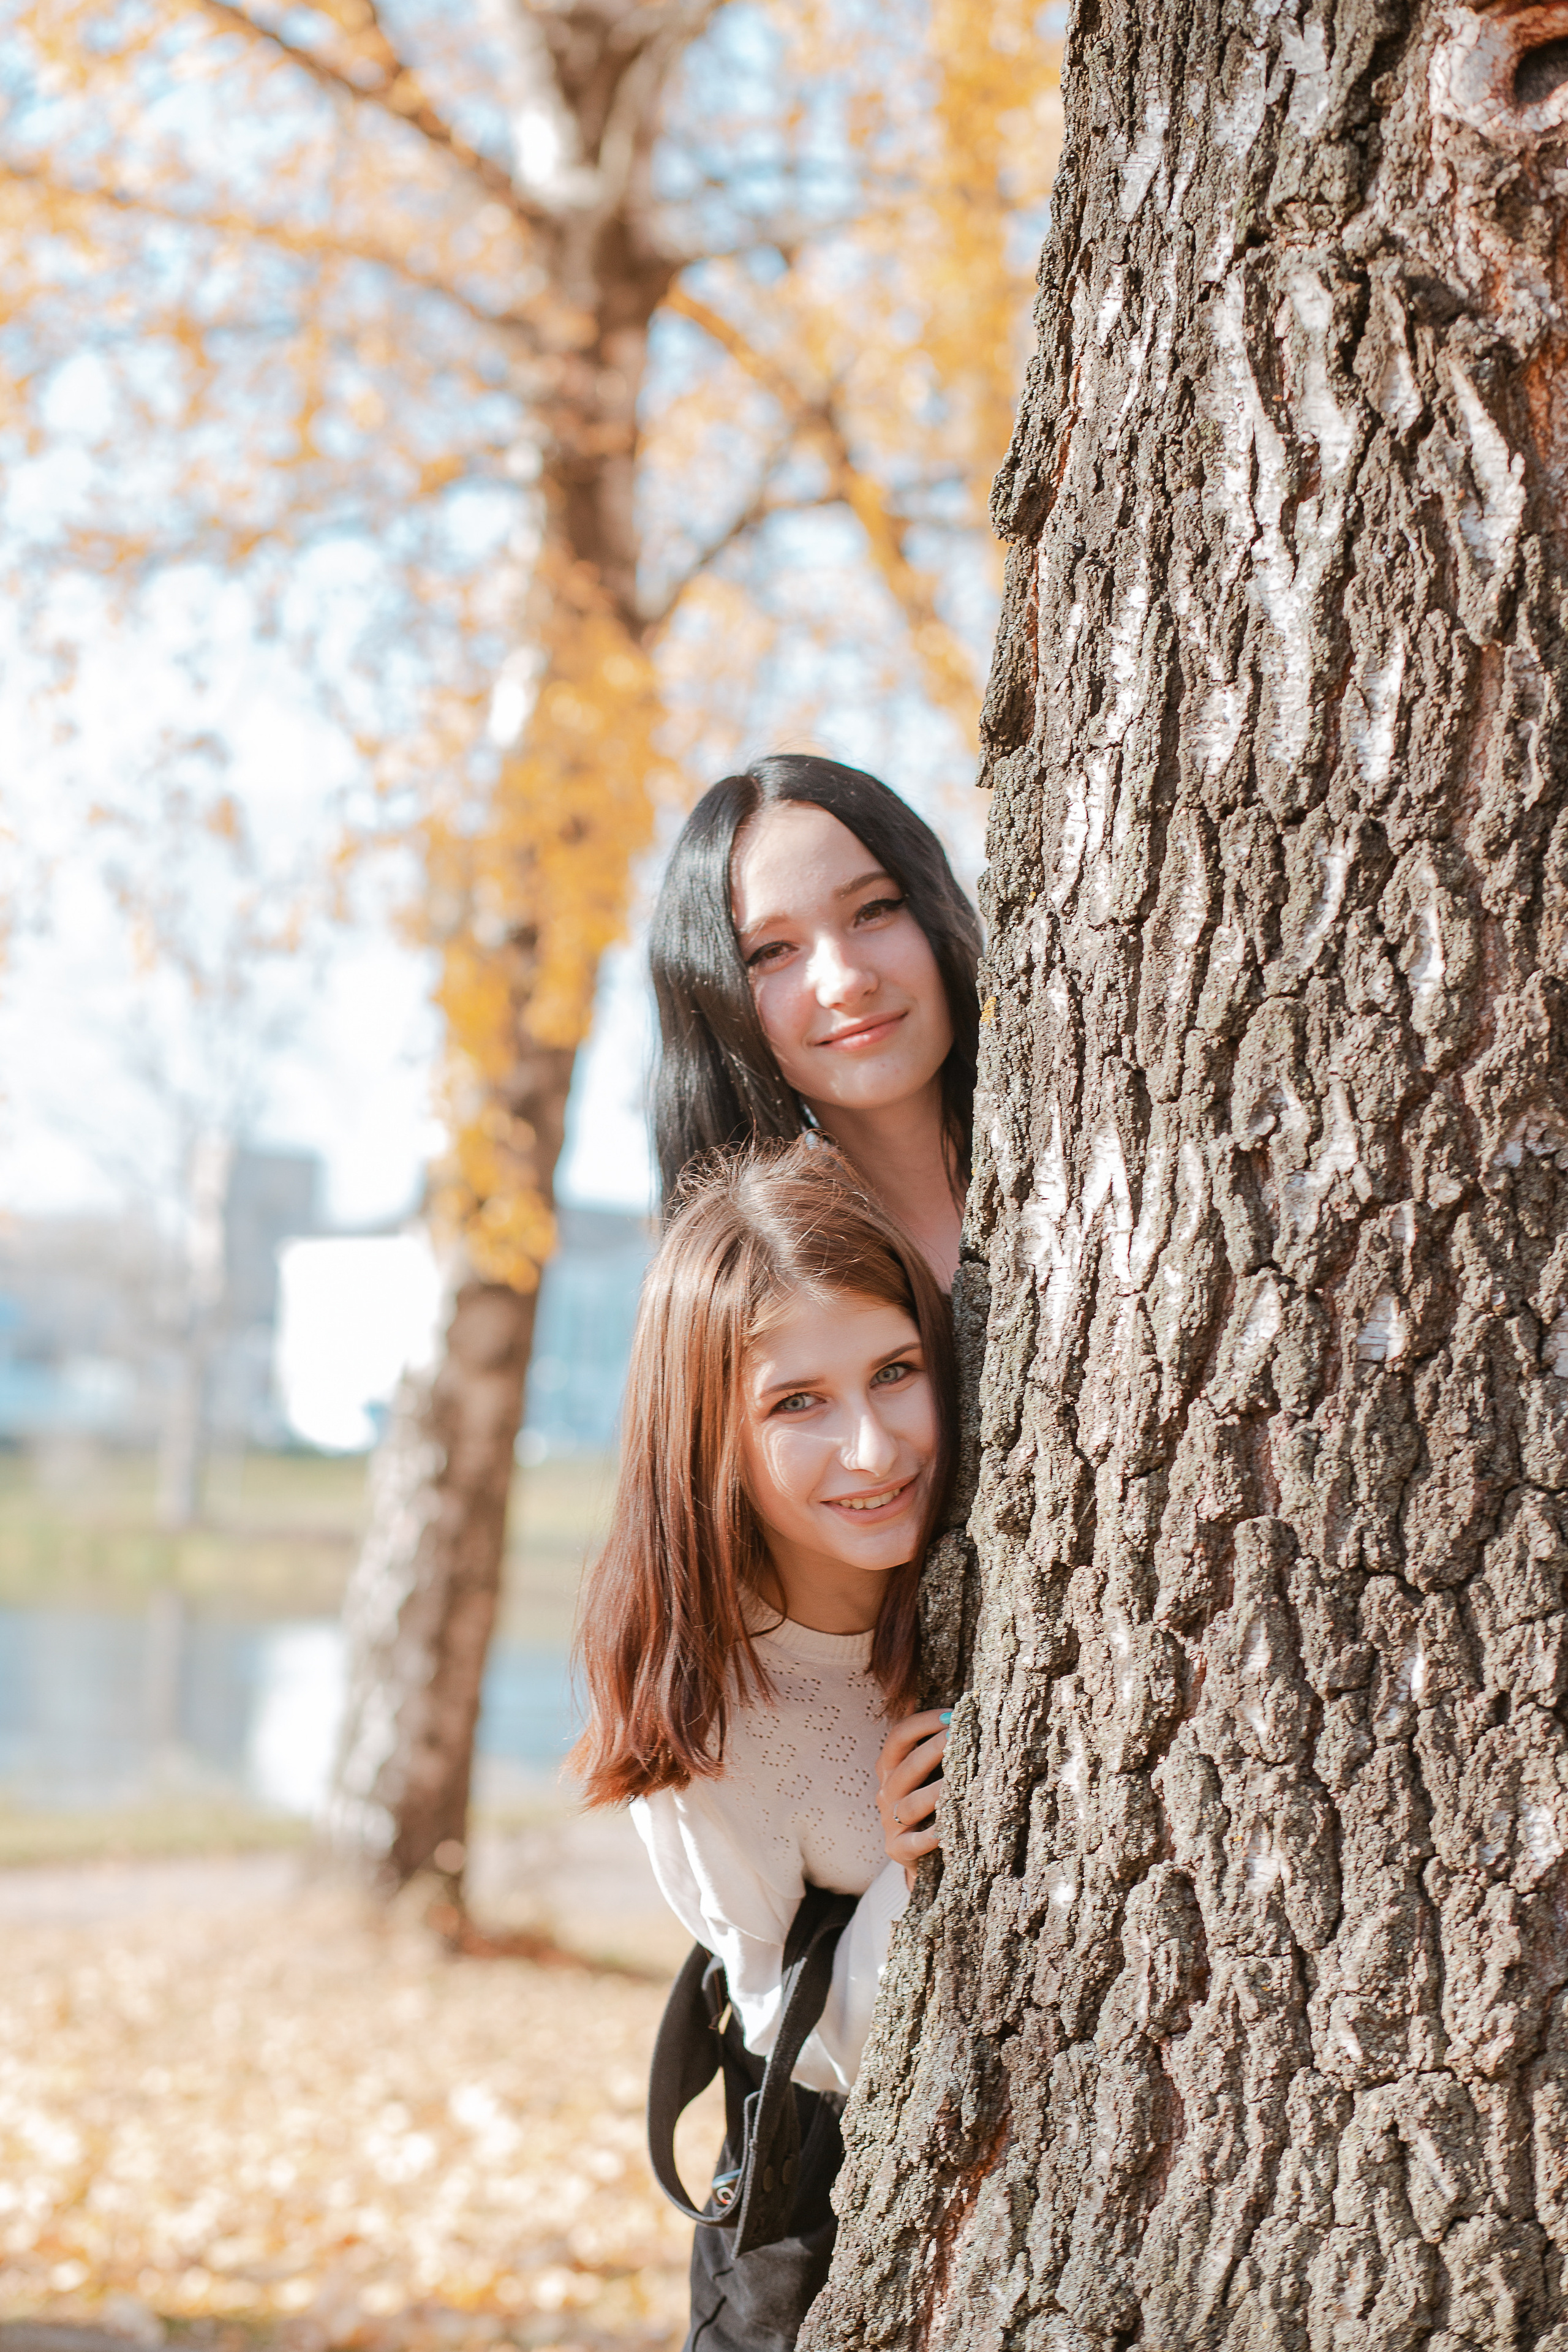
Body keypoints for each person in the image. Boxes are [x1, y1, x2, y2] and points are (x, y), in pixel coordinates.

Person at [570, 1144, 952, 2343]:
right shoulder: (707, 1717)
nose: (874, 1450)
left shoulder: (992, 1533)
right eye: (798, 1403)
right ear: (709, 1437)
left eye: (895, 1372)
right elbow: (812, 2054)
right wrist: (906, 1869)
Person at [648, 754, 982, 1287]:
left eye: (873, 910)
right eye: (772, 950)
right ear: (716, 1001)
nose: (846, 982)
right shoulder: (756, 1296)